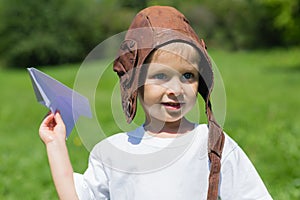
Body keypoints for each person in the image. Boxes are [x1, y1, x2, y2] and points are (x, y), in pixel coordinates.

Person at [39, 6, 272, 200]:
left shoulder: (213, 145)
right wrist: (55, 143)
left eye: (188, 76)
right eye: (160, 76)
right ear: (135, 83)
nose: (176, 89)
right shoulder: (112, 153)